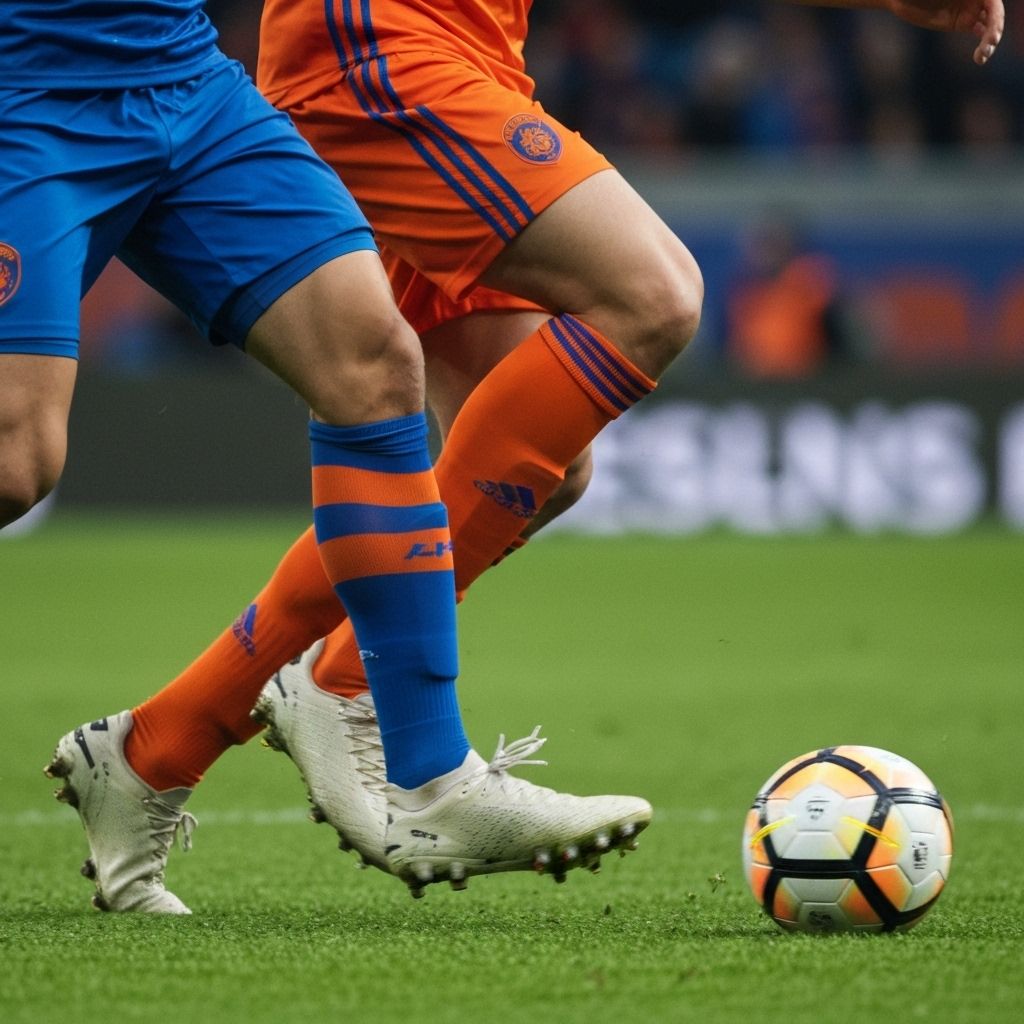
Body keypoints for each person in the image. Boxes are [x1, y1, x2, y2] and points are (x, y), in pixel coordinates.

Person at [39, 0, 1005, 911]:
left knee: (544, 471)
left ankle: (160, 746)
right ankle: (348, 693)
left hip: (468, 53)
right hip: (378, 47)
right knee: (654, 294)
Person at [2, 0, 650, 915]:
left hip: (185, 75)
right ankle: (273, 712)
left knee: (375, 364)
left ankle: (429, 780)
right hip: (27, 86)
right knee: (15, 462)